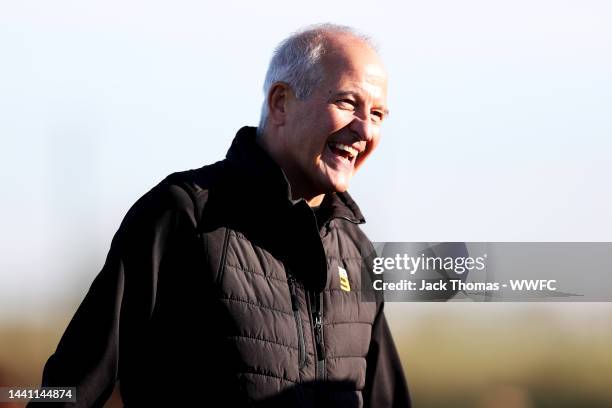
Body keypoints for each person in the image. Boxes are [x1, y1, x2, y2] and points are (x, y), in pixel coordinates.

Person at [30, 23, 411, 407]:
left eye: (377, 113)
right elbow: (69, 386)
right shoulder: (184, 216)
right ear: (280, 103)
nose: (365, 129)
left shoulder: (356, 252)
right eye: (347, 103)